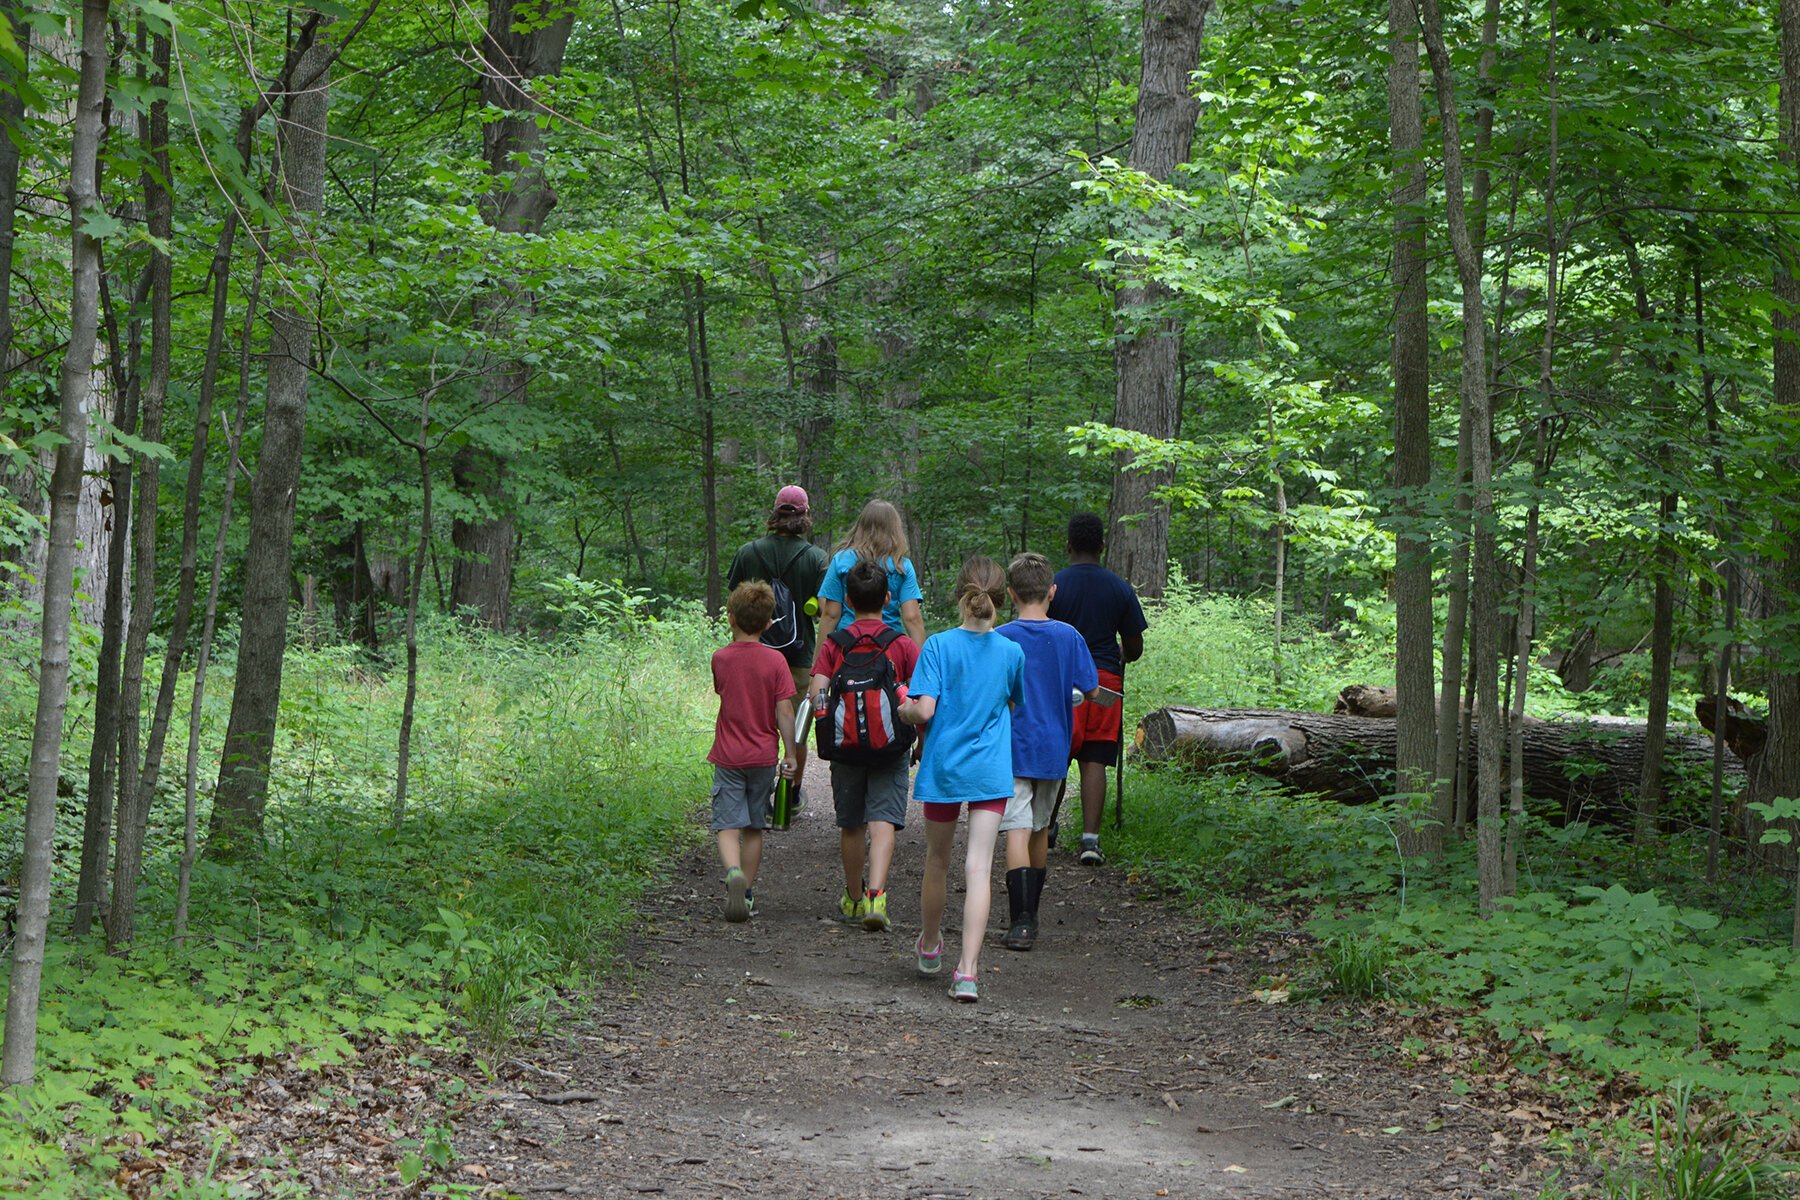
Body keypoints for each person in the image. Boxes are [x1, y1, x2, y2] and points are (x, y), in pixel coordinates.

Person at [898, 556, 1024, 1003]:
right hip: (990, 771)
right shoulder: (1012, 651)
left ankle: (930, 944)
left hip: (946, 767)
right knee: (979, 868)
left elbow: (924, 710)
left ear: (960, 596)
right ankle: (967, 973)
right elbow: (1011, 703)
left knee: (937, 860)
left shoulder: (937, 647)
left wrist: (903, 708)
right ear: (997, 598)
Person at [809, 560, 920, 932]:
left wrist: (828, 734)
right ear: (888, 598)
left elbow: (818, 692)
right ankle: (877, 895)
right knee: (883, 819)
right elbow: (918, 697)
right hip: (891, 747)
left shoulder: (834, 644)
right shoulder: (901, 645)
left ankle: (853, 898)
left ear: (849, 601)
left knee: (852, 823)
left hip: (846, 747)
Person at [995, 552, 1099, 951]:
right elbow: (1089, 688)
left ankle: (1020, 919)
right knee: (1038, 828)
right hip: (1054, 747)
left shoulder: (1002, 638)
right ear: (1052, 592)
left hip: (1013, 748)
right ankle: (1030, 915)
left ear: (1010, 593)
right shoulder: (1069, 637)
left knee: (1016, 829)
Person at [1047, 512, 1147, 867]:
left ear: (1069, 545)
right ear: (1102, 547)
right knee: (1095, 760)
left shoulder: (1054, 585)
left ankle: (1046, 828)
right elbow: (1134, 648)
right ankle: (1090, 840)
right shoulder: (1119, 588)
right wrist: (1117, 654)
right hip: (1105, 681)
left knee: (1058, 755)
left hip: (1062, 681)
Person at [726, 485, 830, 795]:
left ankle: (754, 791)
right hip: (798, 658)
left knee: (755, 726)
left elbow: (733, 604)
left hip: (751, 656)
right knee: (795, 729)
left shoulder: (747, 553)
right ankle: (791, 794)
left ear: (774, 513)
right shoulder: (817, 558)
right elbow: (826, 612)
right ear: (805, 516)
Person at [709, 581, 798, 923]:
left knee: (727, 825)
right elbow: (785, 712)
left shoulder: (720, 659)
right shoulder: (776, 661)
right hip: (762, 756)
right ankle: (745, 893)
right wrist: (789, 754)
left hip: (728, 756)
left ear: (730, 618)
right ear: (767, 623)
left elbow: (723, 692)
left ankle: (732, 872)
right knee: (754, 827)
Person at [816, 499, 927, 647]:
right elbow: (912, 617)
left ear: (861, 526)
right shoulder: (901, 565)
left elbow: (830, 613)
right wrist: (921, 665)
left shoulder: (841, 560)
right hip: (890, 645)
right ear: (895, 529)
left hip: (848, 644)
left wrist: (818, 662)